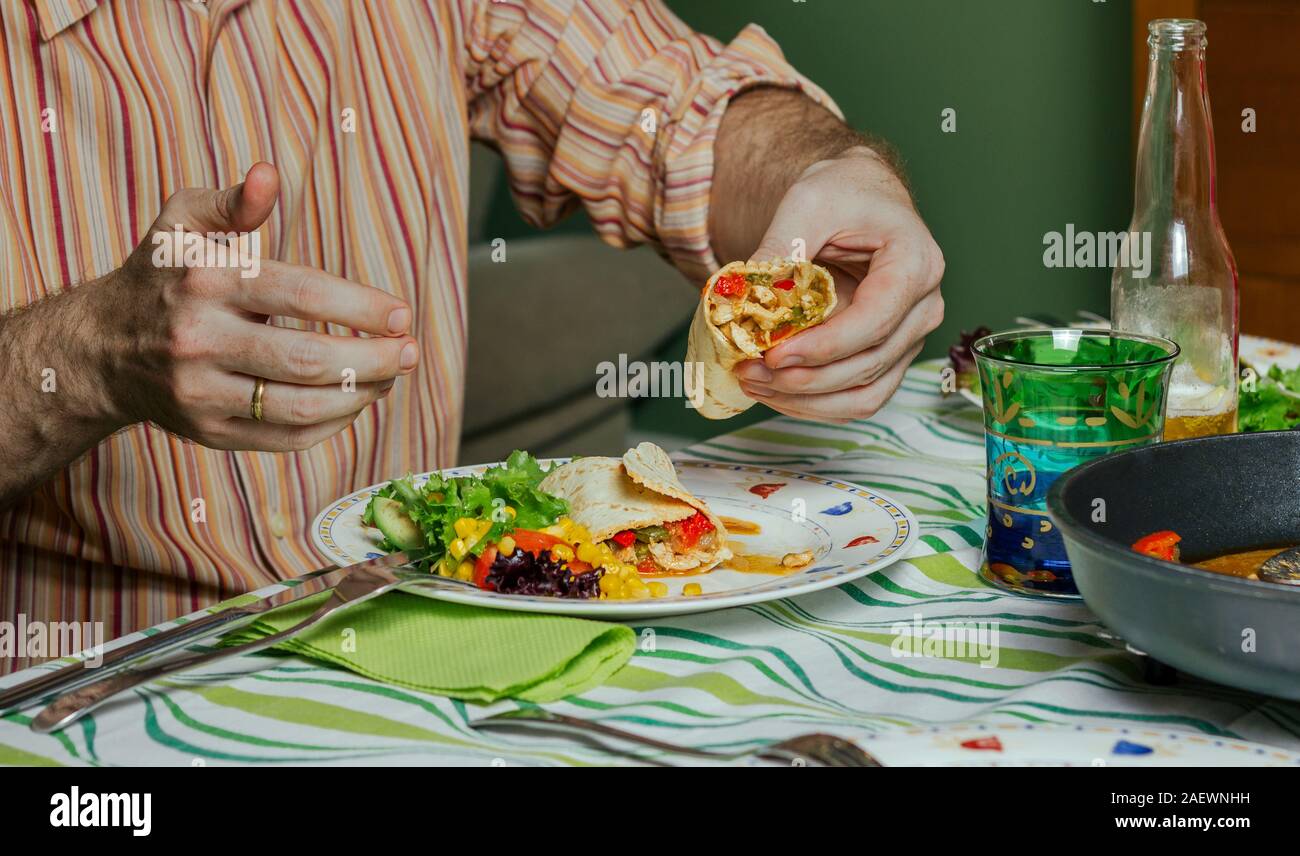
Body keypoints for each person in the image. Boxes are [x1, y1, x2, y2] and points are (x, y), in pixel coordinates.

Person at [0, 0, 942, 670]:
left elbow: (668, 99)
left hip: (419, 637)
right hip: (89, 684)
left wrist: (832, 170)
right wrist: (80, 356)